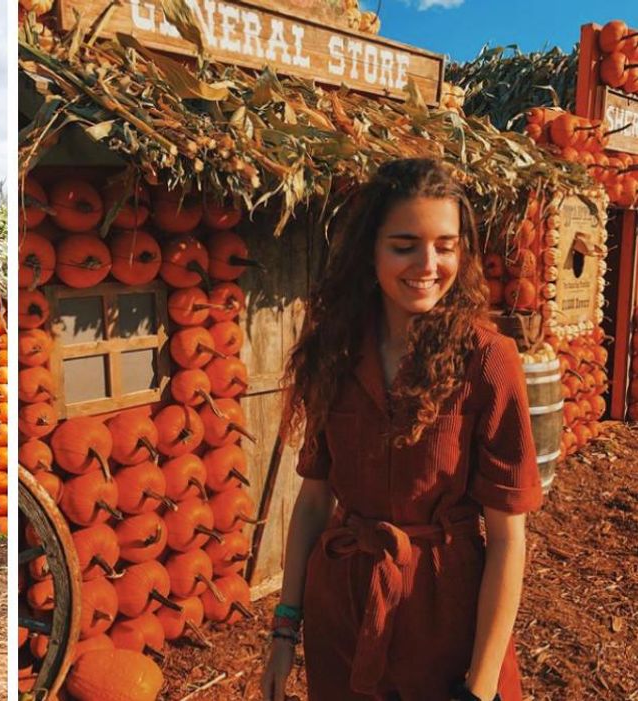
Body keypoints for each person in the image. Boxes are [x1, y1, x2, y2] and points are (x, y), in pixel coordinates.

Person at [260, 158, 543, 701]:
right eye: (404, 244)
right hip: (342, 611)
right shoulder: (333, 355)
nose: (428, 263)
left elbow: (508, 540)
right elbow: (315, 502)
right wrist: (284, 631)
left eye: (446, 244)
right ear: (370, 250)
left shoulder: (488, 361)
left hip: (446, 618)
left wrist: (479, 688)